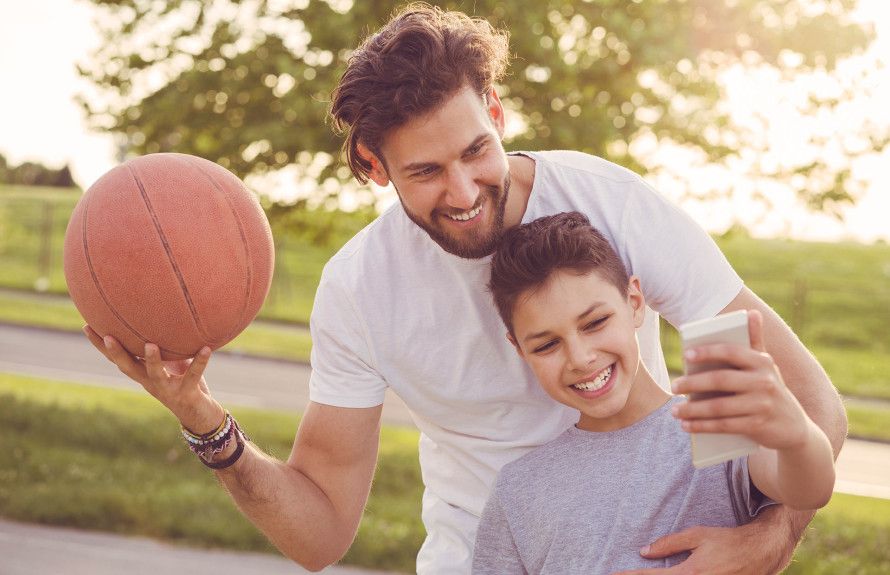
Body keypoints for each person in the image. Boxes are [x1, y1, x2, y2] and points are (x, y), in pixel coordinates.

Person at [83, 4, 847, 574]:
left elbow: (800, 410)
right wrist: (201, 418)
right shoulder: (362, 288)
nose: (464, 189)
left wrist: (763, 537)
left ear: (496, 111)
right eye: (424, 171)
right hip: (484, 548)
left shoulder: (615, 209)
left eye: (476, 149)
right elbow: (320, 533)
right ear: (373, 166)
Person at [472, 211, 836, 573]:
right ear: (519, 349)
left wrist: (796, 436)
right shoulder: (519, 489)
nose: (581, 359)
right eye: (547, 344)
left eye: (595, 323)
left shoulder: (715, 427)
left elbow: (810, 489)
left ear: (634, 303)